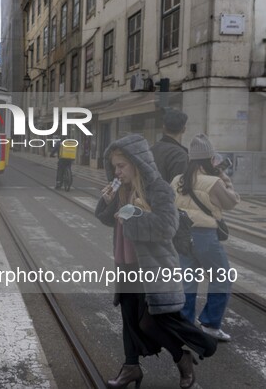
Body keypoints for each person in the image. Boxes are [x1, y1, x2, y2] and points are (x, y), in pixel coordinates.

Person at [95, 134, 217, 389]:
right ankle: (130, 368)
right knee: (129, 319)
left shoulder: (157, 188)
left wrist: (133, 219)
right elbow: (108, 219)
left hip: (152, 266)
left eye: (121, 166)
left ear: (137, 163)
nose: (116, 172)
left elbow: (167, 225)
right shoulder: (121, 188)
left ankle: (182, 357)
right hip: (125, 263)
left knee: (150, 322)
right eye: (114, 166)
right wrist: (107, 201)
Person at [172, 134, 240, 342]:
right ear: (210, 159)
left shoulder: (177, 180)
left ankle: (184, 324)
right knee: (222, 278)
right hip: (204, 236)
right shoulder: (213, 182)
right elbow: (231, 202)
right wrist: (225, 178)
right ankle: (210, 323)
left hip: (181, 235)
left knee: (188, 280)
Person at [151, 108, 189, 182]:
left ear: (163, 127)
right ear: (184, 129)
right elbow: (179, 186)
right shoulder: (179, 155)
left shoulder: (151, 149)